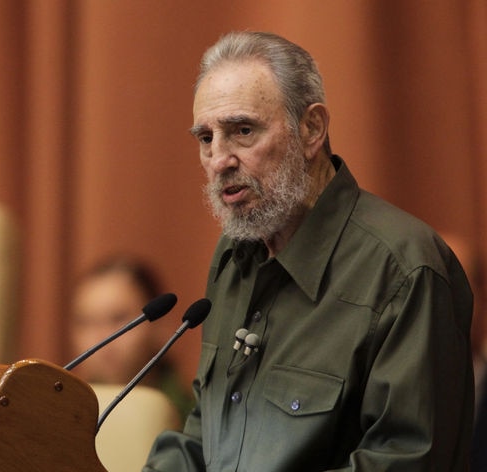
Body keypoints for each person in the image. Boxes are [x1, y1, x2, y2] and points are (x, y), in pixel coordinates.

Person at [143, 31, 473, 471]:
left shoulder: (405, 269)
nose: (219, 159)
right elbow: (206, 437)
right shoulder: (233, 257)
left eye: (242, 131)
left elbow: (407, 461)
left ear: (312, 129)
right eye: (206, 138)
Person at [68, 254, 194, 420]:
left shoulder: (195, 419)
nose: (102, 337)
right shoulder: (64, 414)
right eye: (87, 322)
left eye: (119, 318)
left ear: (159, 325)